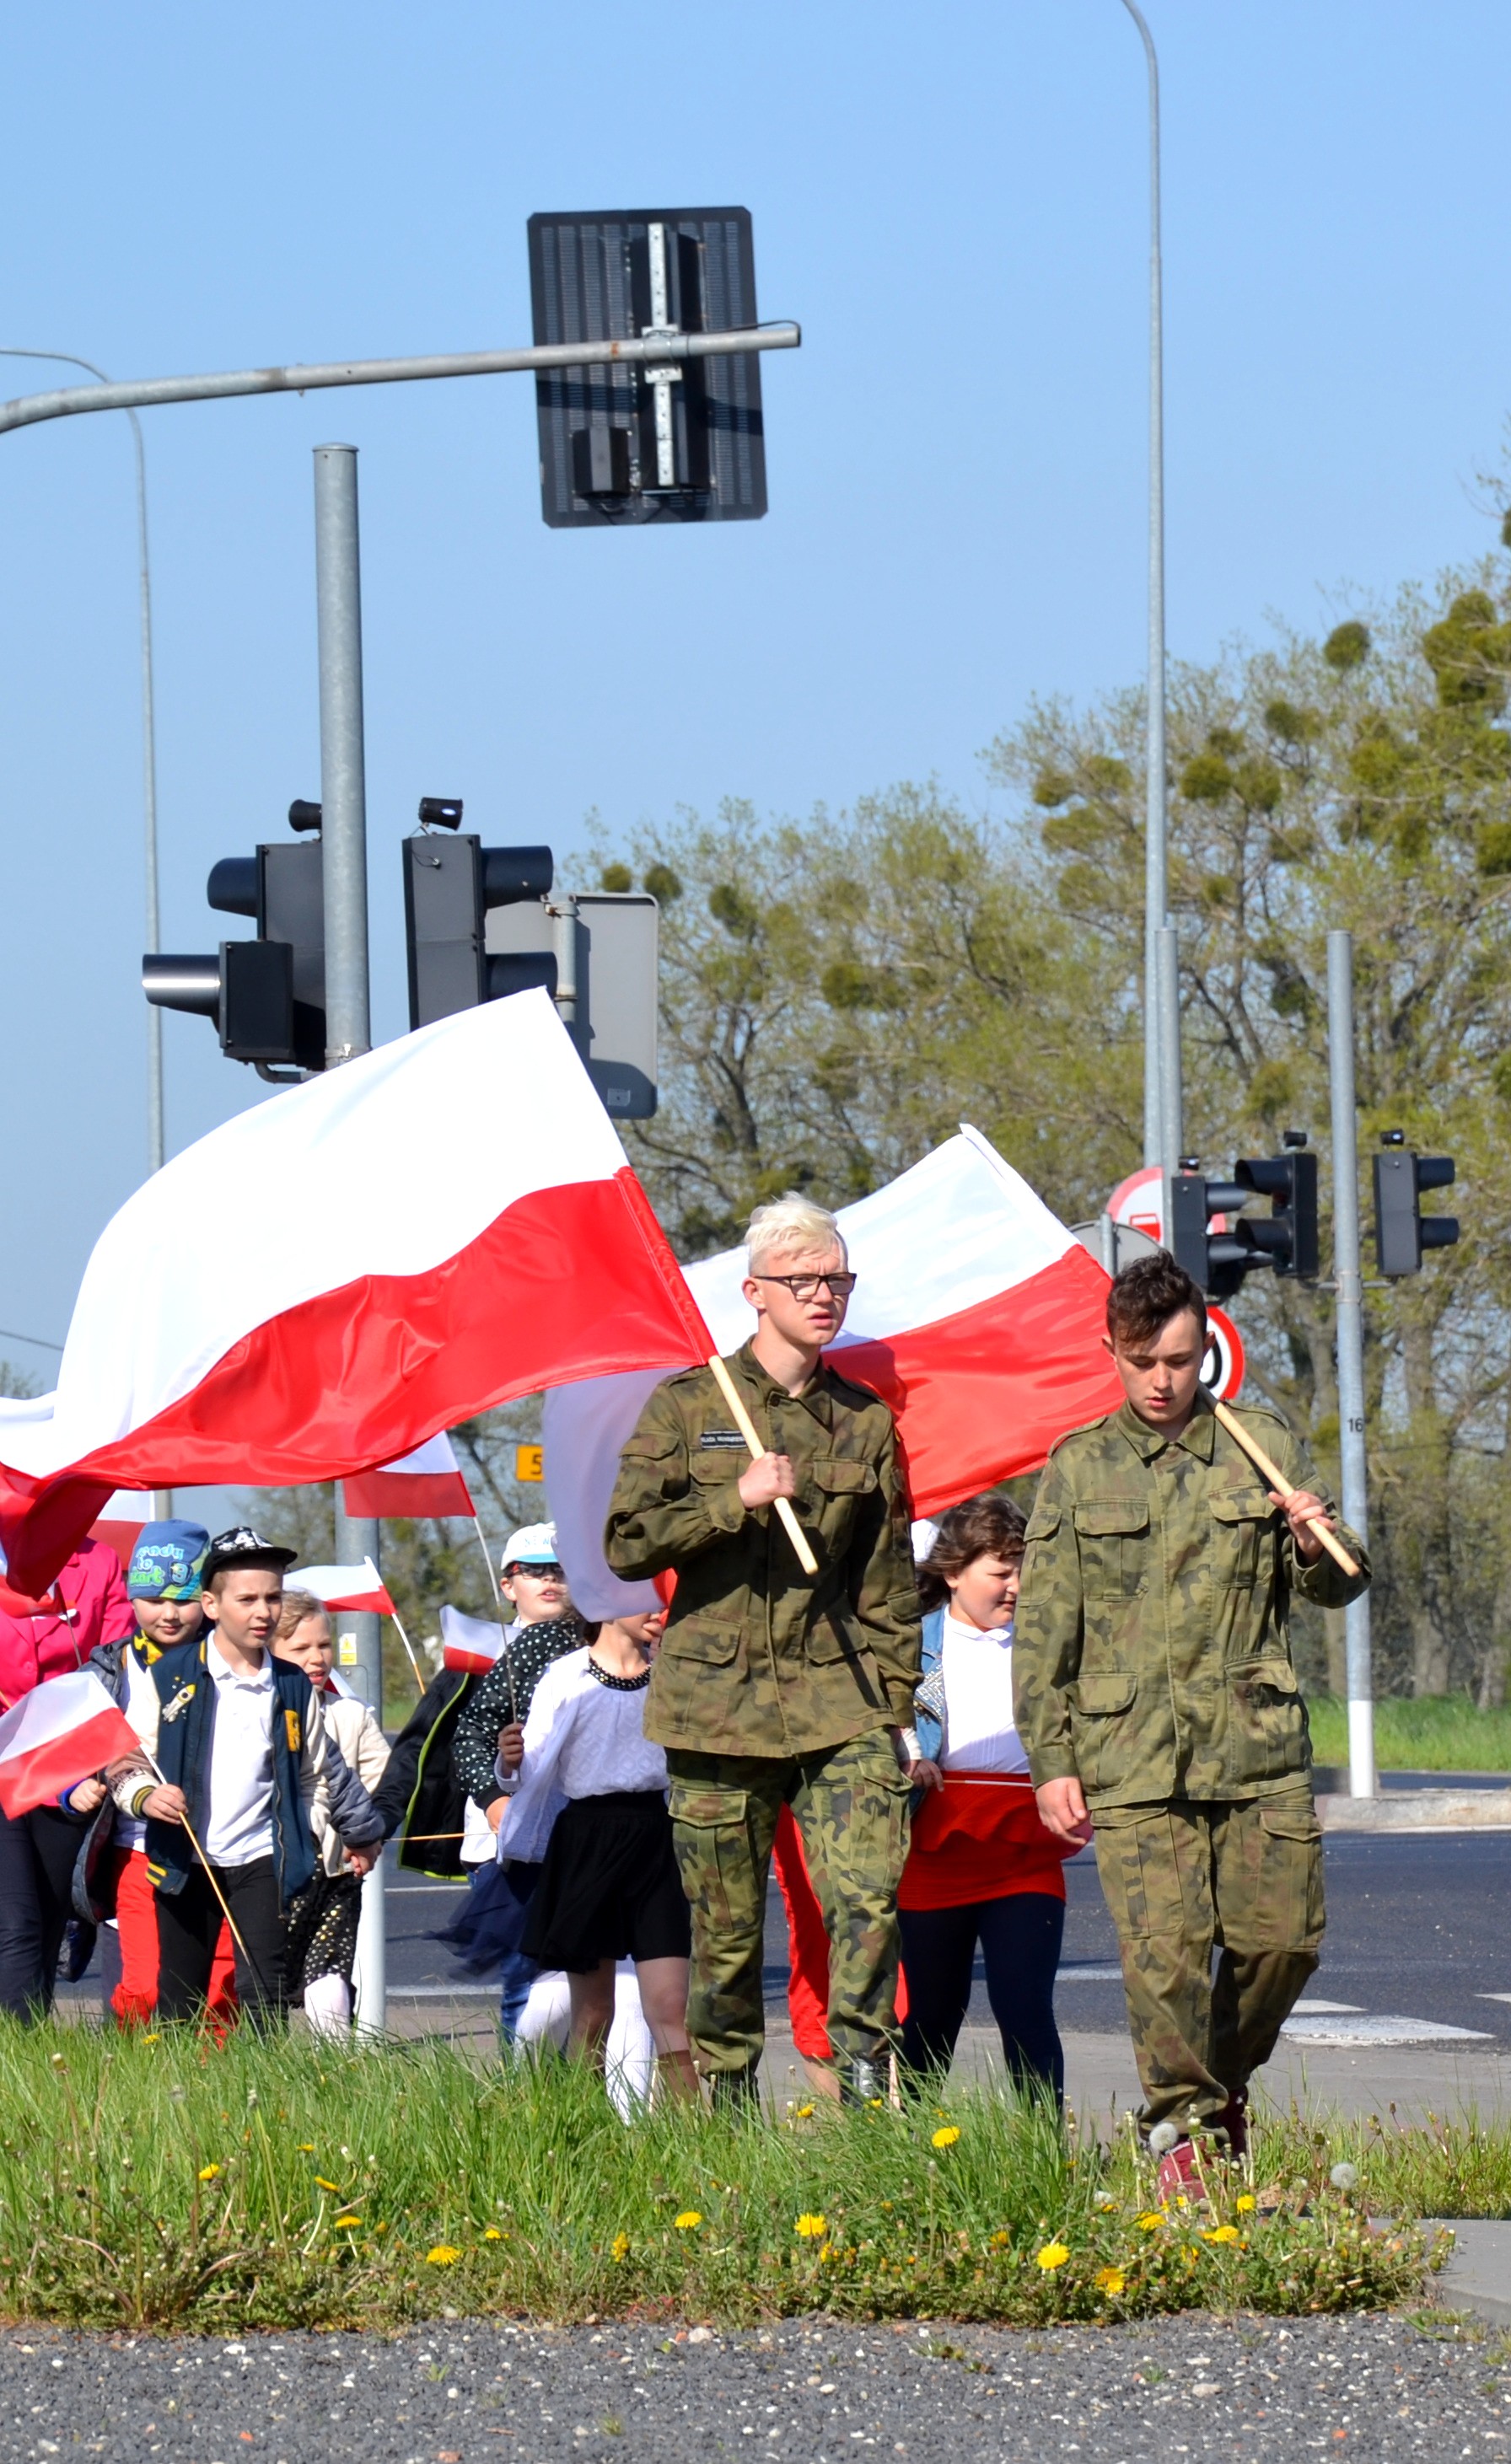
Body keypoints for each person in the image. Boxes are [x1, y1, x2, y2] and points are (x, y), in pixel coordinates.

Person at [1014, 1253, 1371, 2196]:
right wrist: (1051, 1760)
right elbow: (1044, 1627)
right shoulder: (1078, 1465)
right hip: (1129, 1757)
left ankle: (1218, 2088)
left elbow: (1341, 1578)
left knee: (1283, 1943)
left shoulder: (1257, 1442)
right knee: (1162, 1965)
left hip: (1254, 1747)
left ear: (1202, 1346)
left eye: (1178, 1358)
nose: (1162, 1380)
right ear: (1113, 1353)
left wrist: (1310, 1540)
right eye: (1142, 1361)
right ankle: (1183, 2131)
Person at [605, 1191, 922, 2107]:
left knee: (865, 1900)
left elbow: (887, 1582)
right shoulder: (688, 1404)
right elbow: (625, 1542)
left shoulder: (862, 1421)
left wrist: (897, 1711)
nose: (825, 1295)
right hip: (717, 1709)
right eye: (804, 1279)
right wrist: (729, 1499)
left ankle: (869, 2096)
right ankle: (726, 2109)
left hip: (842, 1701)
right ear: (755, 1291)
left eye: (838, 1279)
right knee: (728, 1931)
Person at [109, 1526, 360, 2026]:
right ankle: (172, 2093)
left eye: (272, 1597)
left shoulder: (291, 1682)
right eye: (246, 1599)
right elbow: (126, 1759)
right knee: (179, 1996)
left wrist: (304, 1827)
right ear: (211, 1604)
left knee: (263, 1991)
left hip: (263, 1859)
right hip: (185, 1859)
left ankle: (263, 2092)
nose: (262, 1611)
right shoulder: (169, 1674)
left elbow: (315, 1772)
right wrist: (145, 1796)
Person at [895, 1495, 1072, 2101]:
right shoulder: (911, 1645)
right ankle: (908, 2155)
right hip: (933, 1856)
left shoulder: (1048, 1645)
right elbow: (878, 1724)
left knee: (1026, 2012)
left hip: (1024, 1856)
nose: (1017, 1586)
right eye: (1001, 1571)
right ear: (953, 1570)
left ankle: (1041, 2157)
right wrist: (905, 1757)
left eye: (1024, 1568)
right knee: (931, 2019)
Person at [493, 1606, 697, 2101]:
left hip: (657, 1840)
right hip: (587, 1843)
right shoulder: (567, 1676)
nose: (658, 1610)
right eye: (644, 1598)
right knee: (592, 2012)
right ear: (604, 1603)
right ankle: (587, 2132)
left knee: (670, 2011)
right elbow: (530, 1770)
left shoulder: (670, 1675)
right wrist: (508, 1759)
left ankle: (695, 2143)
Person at [78, 1520, 238, 2032]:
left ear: (210, 1600)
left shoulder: (238, 1662)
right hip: (139, 1848)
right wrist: (79, 1783)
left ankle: (220, 2086)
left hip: (223, 1849)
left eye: (184, 1599)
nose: (168, 1613)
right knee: (145, 1987)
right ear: (131, 1597)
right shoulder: (111, 1667)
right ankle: (138, 2073)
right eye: (153, 1598)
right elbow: (81, 1745)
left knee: (219, 1990)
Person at [447, 1524, 582, 2035]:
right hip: (501, 1842)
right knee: (526, 1975)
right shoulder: (481, 1653)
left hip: (579, 1833)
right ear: (508, 1584)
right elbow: (465, 1735)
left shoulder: (600, 1639)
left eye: (560, 1570)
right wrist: (494, 1802)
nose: (550, 1580)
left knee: (587, 1973)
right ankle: (523, 2090)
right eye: (535, 1571)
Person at [0, 1530, 137, 2018]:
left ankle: (30, 2059)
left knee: (49, 1917)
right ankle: (13, 2049)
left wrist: (100, 1762)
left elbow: (119, 1659)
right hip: (3, 1763)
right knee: (15, 1922)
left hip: (72, 1770)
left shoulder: (97, 1561)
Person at [272, 1590, 389, 2035]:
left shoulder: (351, 1715)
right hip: (274, 1873)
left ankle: (334, 2067)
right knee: (268, 1973)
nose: (317, 1657)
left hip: (336, 1873)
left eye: (323, 1645)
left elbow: (381, 1782)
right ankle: (261, 2058)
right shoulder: (264, 1708)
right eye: (300, 1648)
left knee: (330, 1973)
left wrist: (370, 1837)